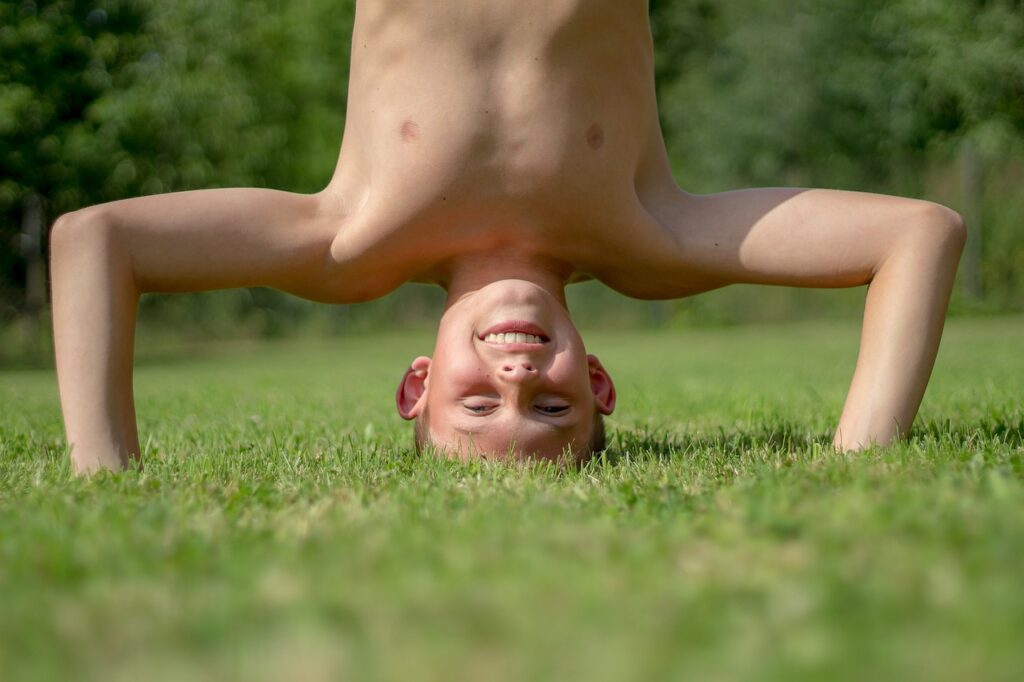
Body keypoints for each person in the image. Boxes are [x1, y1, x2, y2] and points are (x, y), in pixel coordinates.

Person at [50, 0, 966, 474]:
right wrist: (862, 460)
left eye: (478, 408)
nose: (518, 381)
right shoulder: (650, 239)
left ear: (416, 387)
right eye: (557, 410)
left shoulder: (348, 242)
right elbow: (919, 234)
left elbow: (96, 242)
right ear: (599, 381)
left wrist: (104, 479)